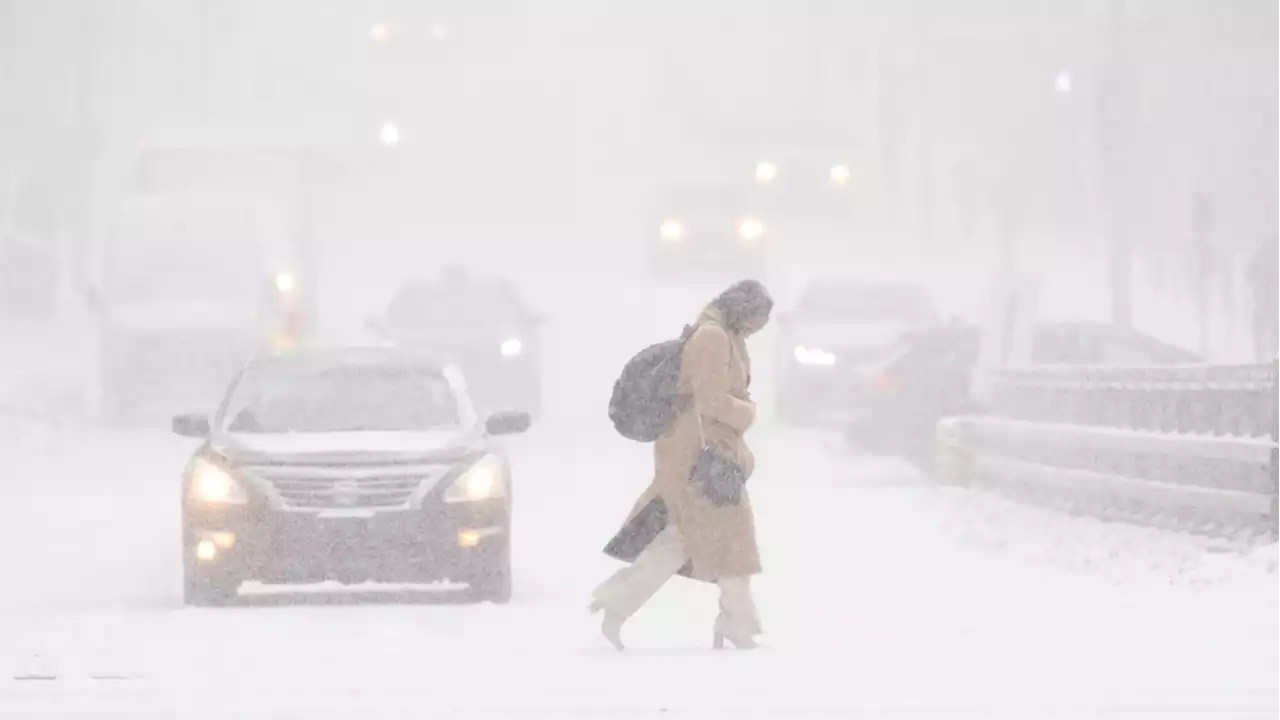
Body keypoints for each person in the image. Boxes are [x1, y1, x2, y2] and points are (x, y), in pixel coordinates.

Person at [591, 279, 774, 651]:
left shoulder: (723, 333)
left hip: (703, 456)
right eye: (757, 319)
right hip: (702, 460)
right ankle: (735, 623)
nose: (757, 329)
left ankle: (618, 604)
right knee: (726, 544)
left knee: (686, 542)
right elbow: (711, 402)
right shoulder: (713, 338)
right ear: (743, 310)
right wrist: (748, 412)